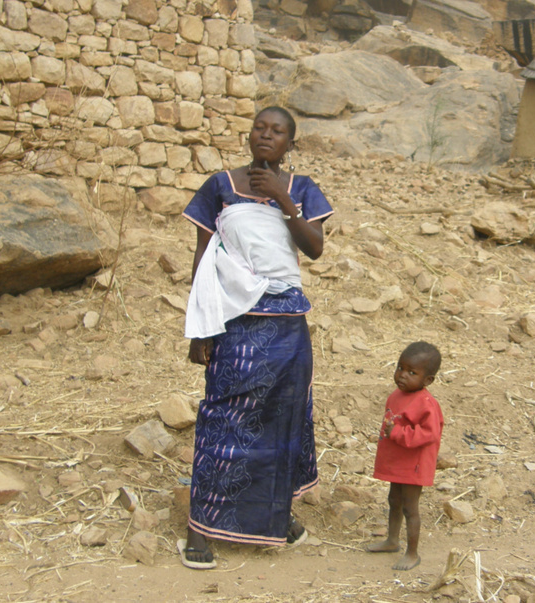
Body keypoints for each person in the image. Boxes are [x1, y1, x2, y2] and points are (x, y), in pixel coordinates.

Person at [178, 106, 333, 569]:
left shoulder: (302, 188)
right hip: (234, 322)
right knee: (221, 423)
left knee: (283, 424)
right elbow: (203, 258)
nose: (266, 136)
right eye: (260, 128)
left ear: (291, 142)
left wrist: (284, 201)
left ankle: (274, 516)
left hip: (288, 326)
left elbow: (316, 249)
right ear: (250, 135)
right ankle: (201, 530)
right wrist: (199, 328)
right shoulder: (220, 186)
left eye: (278, 131)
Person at [366, 342, 444, 571]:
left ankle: (412, 553)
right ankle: (392, 540)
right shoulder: (397, 395)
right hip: (399, 461)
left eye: (412, 372)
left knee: (410, 507)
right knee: (394, 500)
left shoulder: (426, 403)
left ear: (427, 380)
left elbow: (430, 433)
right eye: (400, 367)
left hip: (414, 465)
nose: (402, 375)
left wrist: (399, 433)